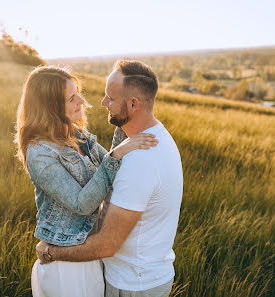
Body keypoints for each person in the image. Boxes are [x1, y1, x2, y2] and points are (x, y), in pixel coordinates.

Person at [36, 60, 183, 297]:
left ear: (133, 104)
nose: (103, 103)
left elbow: (107, 244)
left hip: (133, 285)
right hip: (145, 276)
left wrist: (52, 253)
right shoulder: (157, 136)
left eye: (110, 98)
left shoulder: (139, 161)